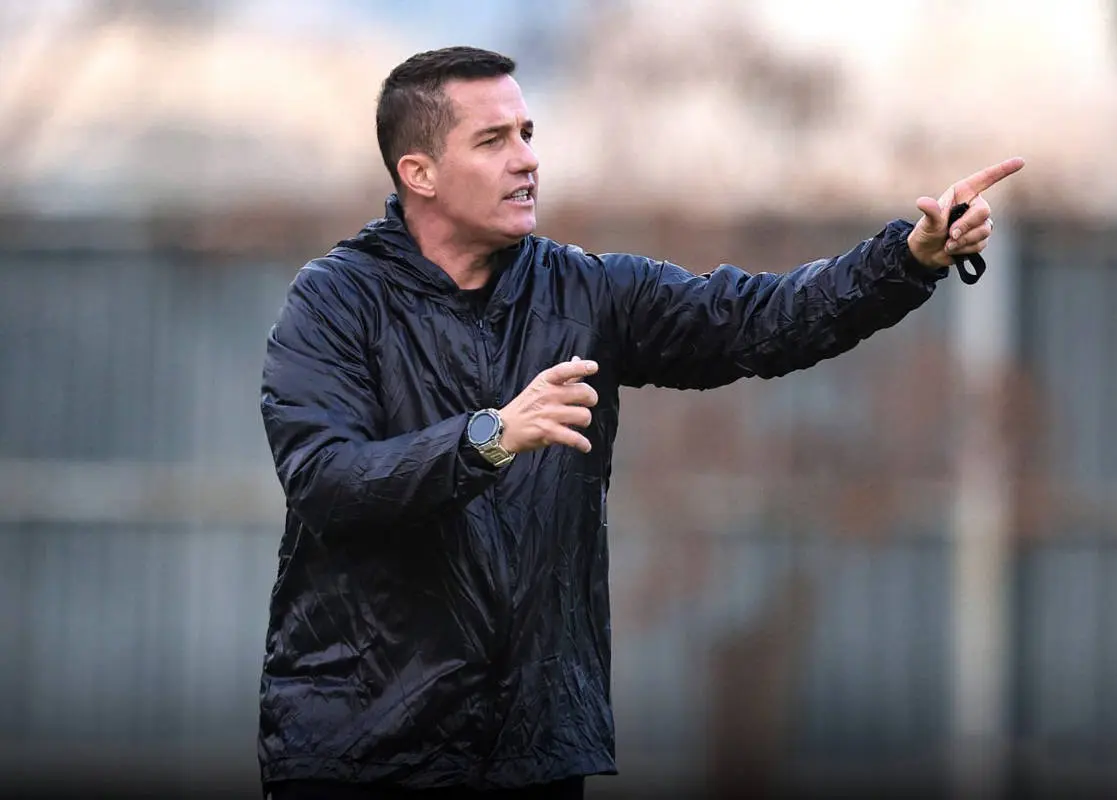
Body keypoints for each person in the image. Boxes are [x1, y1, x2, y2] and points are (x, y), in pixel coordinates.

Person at [256, 45, 1024, 800]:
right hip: (358, 751)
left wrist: (907, 259)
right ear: (418, 173)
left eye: (527, 133)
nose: (526, 160)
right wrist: (487, 438)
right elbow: (326, 481)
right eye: (492, 141)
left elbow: (760, 321)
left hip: (530, 754)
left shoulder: (587, 291)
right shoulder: (334, 301)